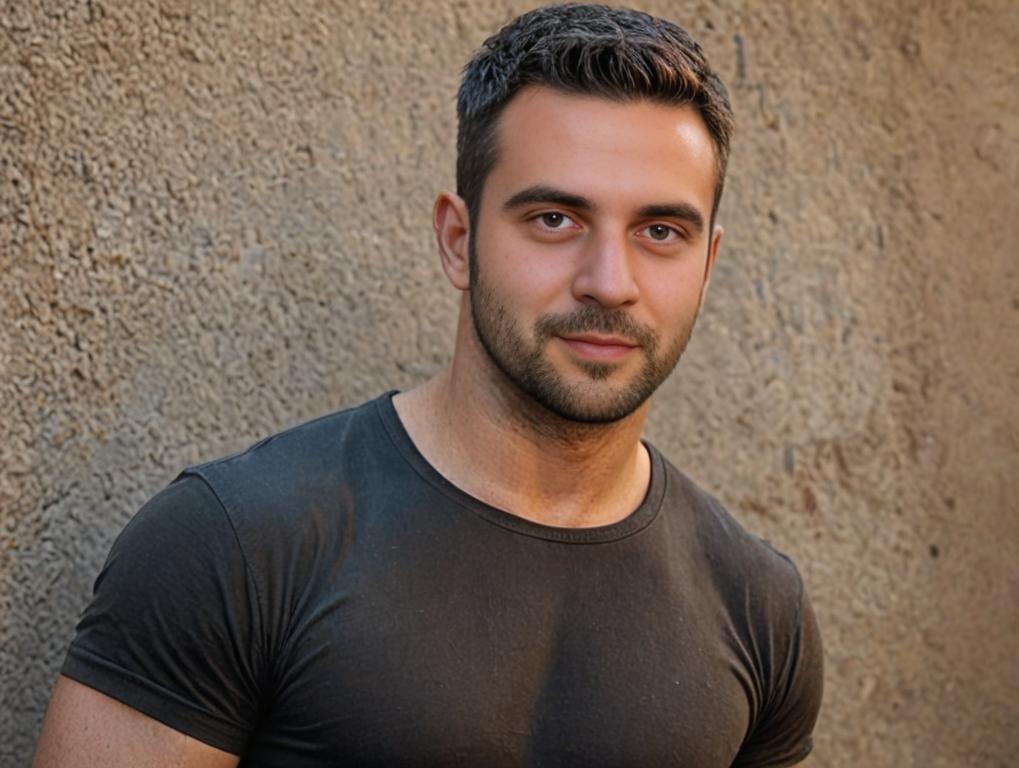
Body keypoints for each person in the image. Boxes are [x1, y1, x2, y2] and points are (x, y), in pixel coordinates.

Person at [33, 4, 823, 766]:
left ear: (708, 266)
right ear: (457, 239)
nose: (609, 282)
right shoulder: (233, 545)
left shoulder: (758, 607)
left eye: (660, 232)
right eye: (554, 219)